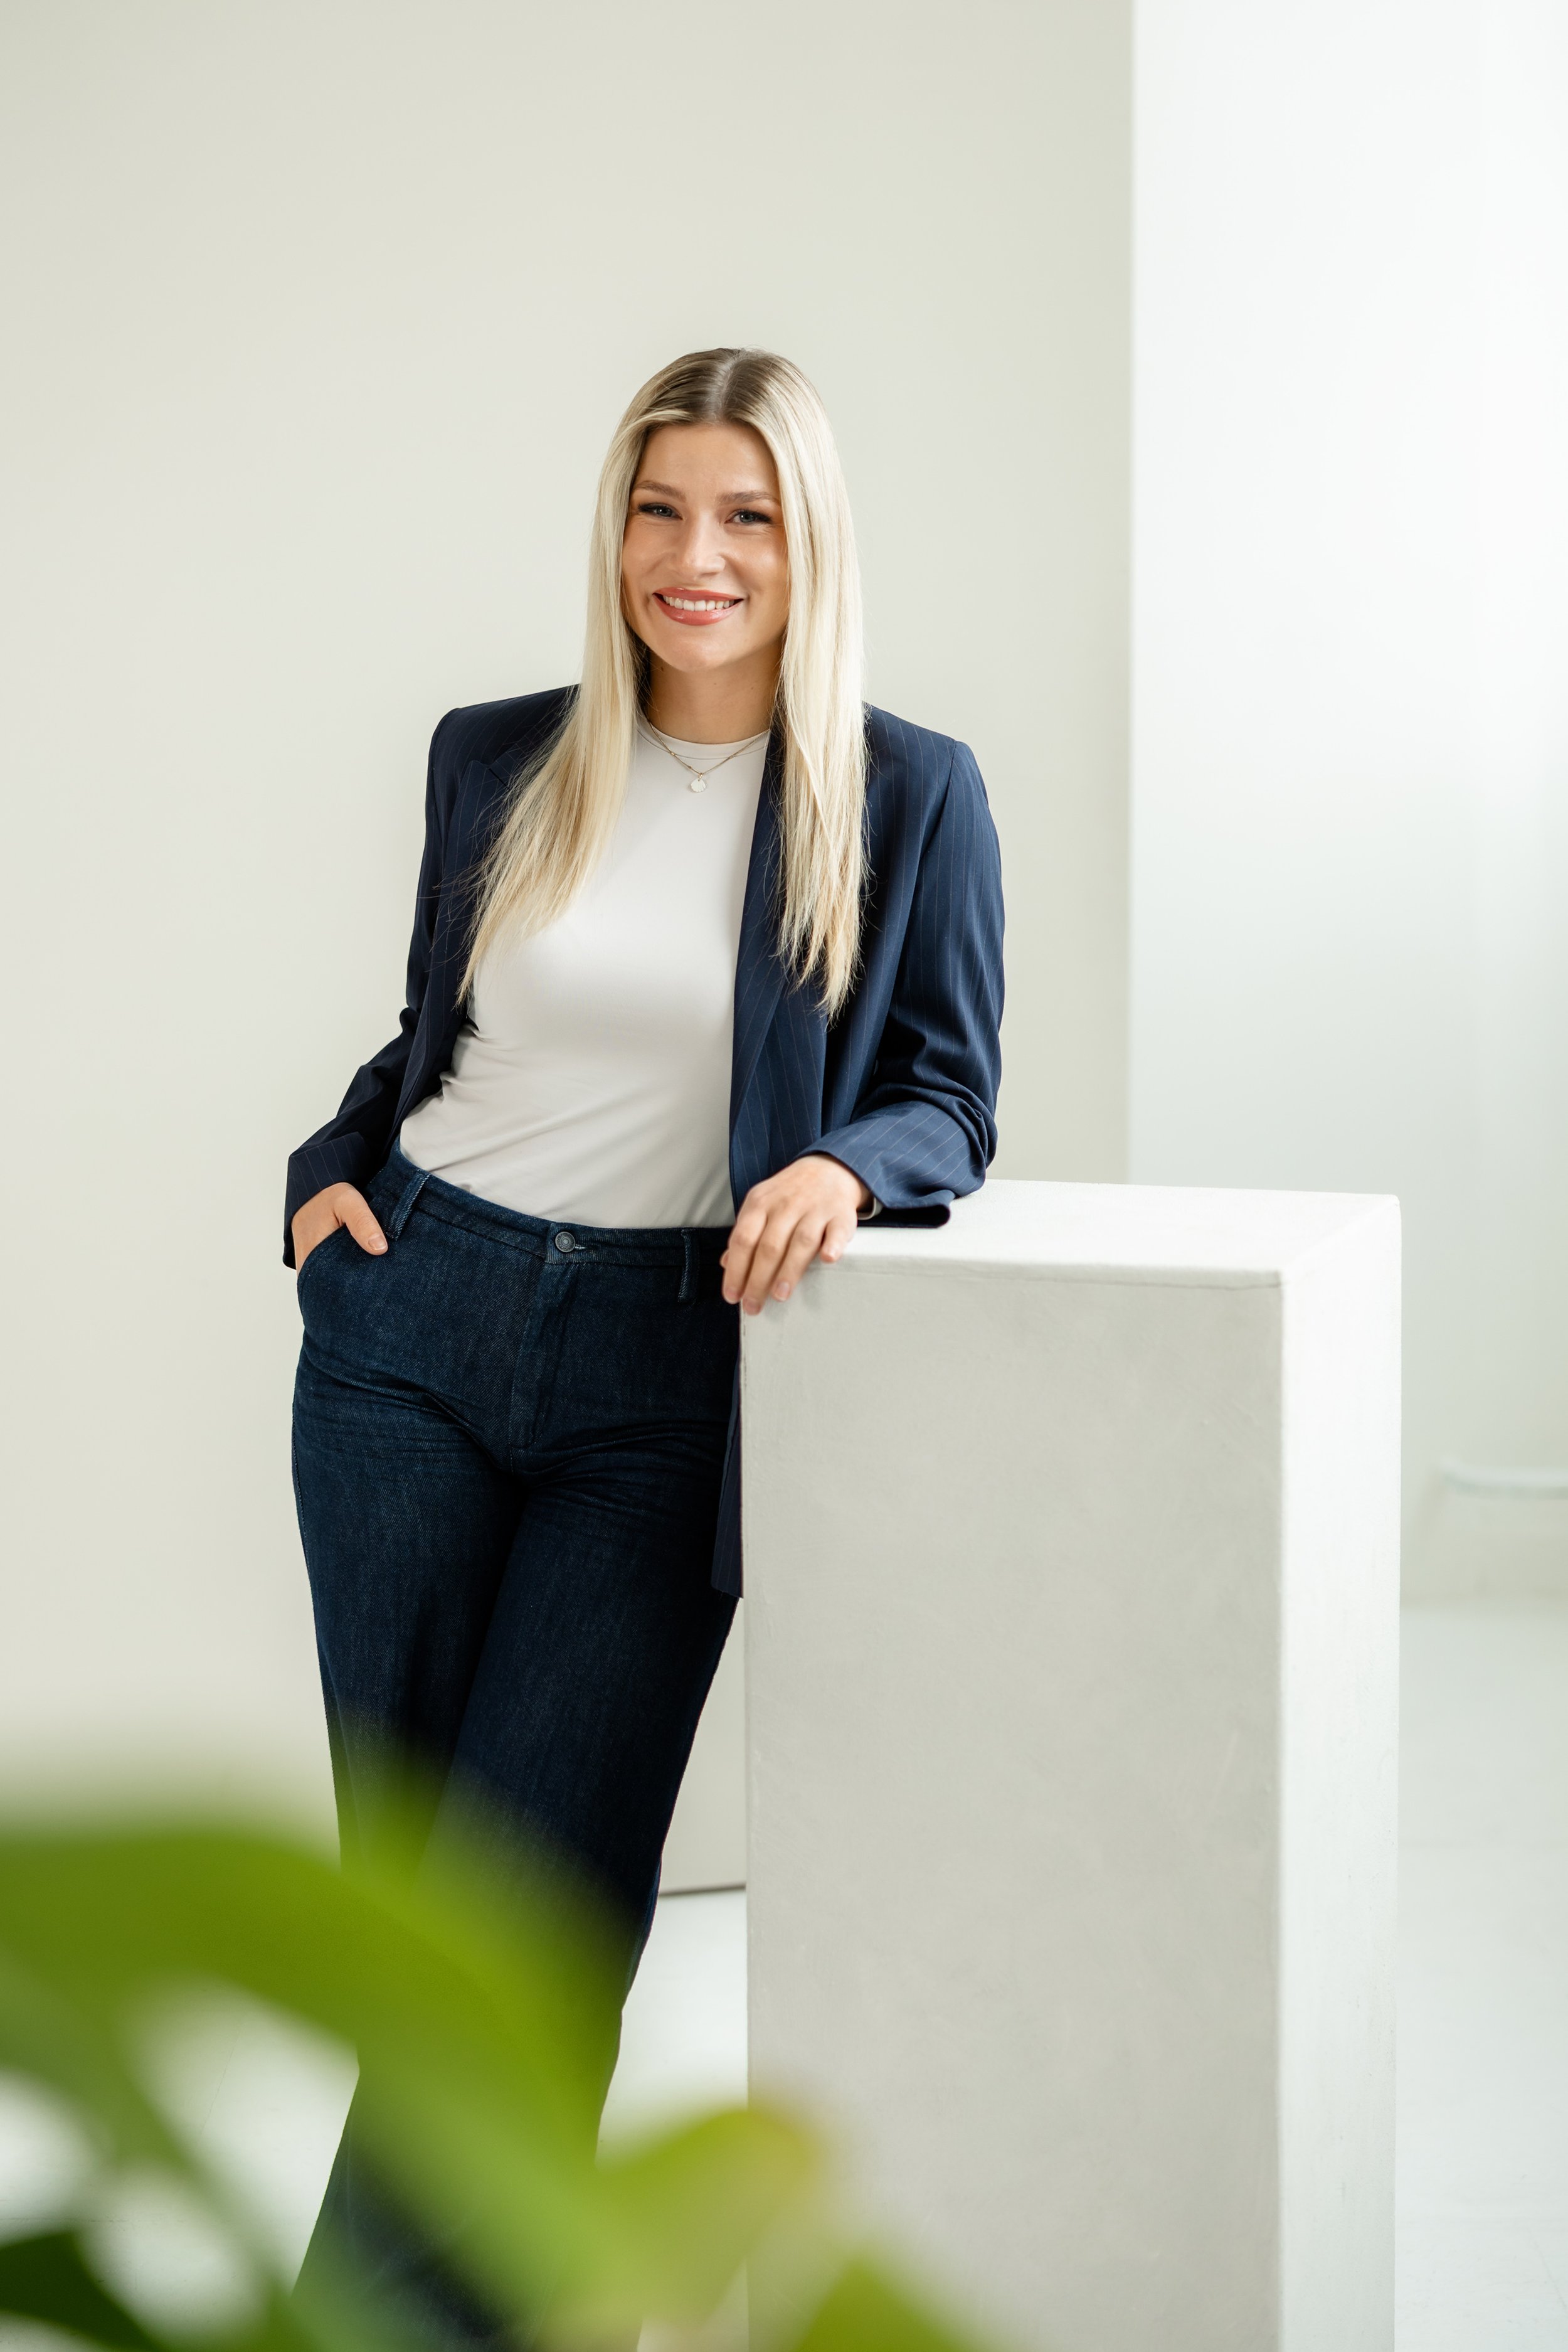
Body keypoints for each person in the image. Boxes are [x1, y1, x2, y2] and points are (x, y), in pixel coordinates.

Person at [286, 345, 1004, 2336]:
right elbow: (433, 1038)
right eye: (661, 507)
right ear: (614, 531)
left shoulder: (904, 791)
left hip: (663, 1379)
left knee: (538, 1918)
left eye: (747, 515)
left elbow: (950, 1093)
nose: (699, 554)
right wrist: (329, 1179)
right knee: (414, 1924)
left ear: (807, 542)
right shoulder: (498, 754)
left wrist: (847, 1165)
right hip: (406, 1340)